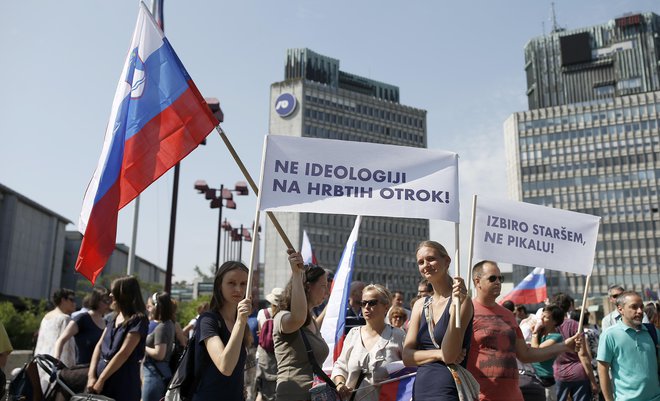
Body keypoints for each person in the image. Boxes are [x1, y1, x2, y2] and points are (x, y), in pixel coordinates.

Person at [466, 261, 580, 401]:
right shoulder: (466, 312)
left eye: (500, 278)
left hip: (513, 396)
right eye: (492, 278)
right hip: (480, 396)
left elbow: (525, 354)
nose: (498, 282)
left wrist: (564, 346)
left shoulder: (508, 315)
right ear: (477, 281)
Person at [403, 241, 473, 401]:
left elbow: (450, 355)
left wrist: (456, 305)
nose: (426, 265)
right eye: (421, 262)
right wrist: (439, 354)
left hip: (448, 389)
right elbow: (407, 357)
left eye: (431, 259)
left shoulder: (463, 301)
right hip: (421, 388)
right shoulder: (420, 305)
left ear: (447, 261)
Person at [191, 261, 252, 401]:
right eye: (231, 283)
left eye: (243, 284)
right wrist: (240, 322)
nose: (238, 289)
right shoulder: (208, 320)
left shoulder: (240, 322)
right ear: (219, 285)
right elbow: (225, 366)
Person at [332, 284, 406, 401]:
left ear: (386, 307)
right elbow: (340, 366)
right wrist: (340, 384)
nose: (366, 307)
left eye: (372, 303)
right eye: (363, 303)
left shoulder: (399, 336)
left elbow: (410, 370)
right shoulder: (353, 334)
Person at [273, 251, 329, 401]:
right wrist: (297, 274)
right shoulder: (282, 317)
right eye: (323, 286)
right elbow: (297, 318)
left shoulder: (312, 322)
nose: (327, 292)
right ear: (308, 286)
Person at [87, 276, 148, 401]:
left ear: (123, 294)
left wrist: (101, 380)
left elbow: (124, 353)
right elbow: (99, 346)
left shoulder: (138, 320)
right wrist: (91, 376)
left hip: (123, 381)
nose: (110, 295)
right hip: (100, 377)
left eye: (113, 292)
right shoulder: (112, 317)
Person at [597, 291, 660, 401]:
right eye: (634, 307)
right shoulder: (609, 335)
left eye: (641, 307)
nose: (640, 311)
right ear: (620, 309)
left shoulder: (653, 331)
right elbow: (603, 371)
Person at [551, 293, 597, 401]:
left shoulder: (550, 325)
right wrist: (593, 381)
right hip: (578, 373)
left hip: (557, 373)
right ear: (570, 306)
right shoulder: (576, 325)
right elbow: (583, 354)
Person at [54, 286, 110, 365]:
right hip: (82, 369)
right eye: (105, 301)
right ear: (96, 300)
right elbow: (61, 340)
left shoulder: (107, 322)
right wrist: (57, 359)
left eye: (110, 301)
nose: (108, 305)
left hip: (100, 369)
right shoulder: (82, 319)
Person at [35, 288, 77, 392]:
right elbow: (68, 350)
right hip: (56, 367)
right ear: (63, 300)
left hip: (41, 364)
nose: (74, 303)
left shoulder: (46, 316)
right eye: (71, 300)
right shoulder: (65, 318)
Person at [142, 291, 176, 401]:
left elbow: (159, 354)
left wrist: (142, 346)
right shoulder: (169, 323)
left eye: (150, 305)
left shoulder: (162, 327)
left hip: (155, 373)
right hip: (158, 372)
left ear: (158, 307)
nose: (147, 307)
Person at [530, 304, 565, 401]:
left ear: (555, 321)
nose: (541, 318)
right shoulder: (540, 332)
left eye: (545, 317)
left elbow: (536, 351)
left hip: (545, 380)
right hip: (532, 377)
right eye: (542, 315)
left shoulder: (556, 337)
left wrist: (535, 333)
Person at [256, 288, 283, 401]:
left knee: (261, 391)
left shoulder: (262, 313)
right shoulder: (284, 316)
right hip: (279, 355)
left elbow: (259, 332)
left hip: (263, 356)